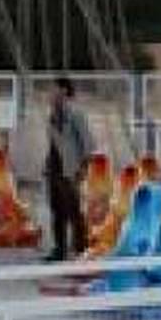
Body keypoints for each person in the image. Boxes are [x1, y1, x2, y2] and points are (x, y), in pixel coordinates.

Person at [44, 76, 93, 261]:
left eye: (53, 89)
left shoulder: (75, 114)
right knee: (57, 209)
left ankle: (81, 248)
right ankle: (60, 248)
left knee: (73, 209)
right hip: (54, 168)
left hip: (70, 168)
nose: (50, 93)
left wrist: (83, 168)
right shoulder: (52, 115)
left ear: (64, 91)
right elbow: (53, 144)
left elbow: (87, 143)